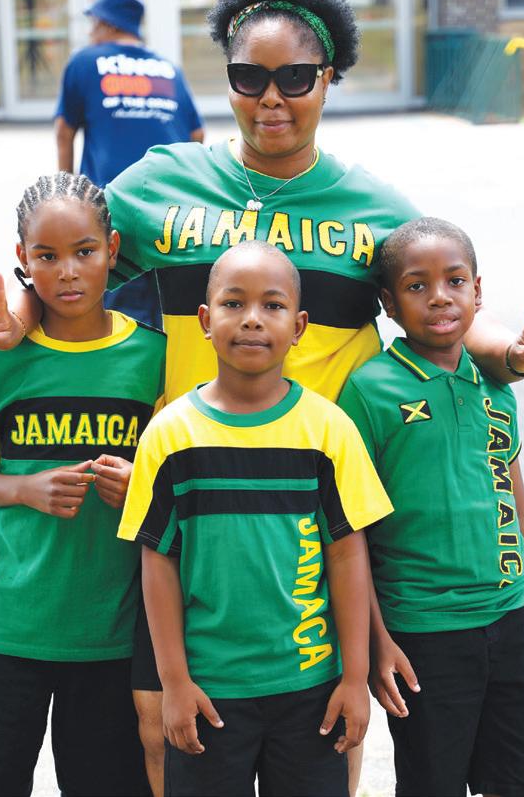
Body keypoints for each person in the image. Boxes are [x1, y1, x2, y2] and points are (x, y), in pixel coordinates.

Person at [0, 0, 524, 796]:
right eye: (249, 78)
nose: (271, 98)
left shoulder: (374, 207)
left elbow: (436, 306)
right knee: (164, 730)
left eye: (295, 78)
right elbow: (74, 254)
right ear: (228, 80)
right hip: (187, 495)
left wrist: (515, 351)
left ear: (328, 79)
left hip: (312, 510)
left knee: (324, 727)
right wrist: (18, 315)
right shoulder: (163, 182)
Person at [118, 240, 394, 796]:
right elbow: (158, 563)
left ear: (299, 326)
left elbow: (347, 555)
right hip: (209, 691)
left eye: (272, 305)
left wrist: (354, 677)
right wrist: (175, 682)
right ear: (204, 320)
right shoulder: (170, 434)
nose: (251, 319)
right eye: (233, 303)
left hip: (311, 688)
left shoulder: (328, 430)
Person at [0, 173, 166, 797]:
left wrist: (140, 487)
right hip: (9, 620)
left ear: (112, 251)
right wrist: (23, 489)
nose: (67, 272)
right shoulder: (0, 356)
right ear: (23, 259)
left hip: (109, 630)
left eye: (84, 252)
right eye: (46, 256)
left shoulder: (152, 358)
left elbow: (175, 477)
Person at [337, 218, 524, 797]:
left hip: (510, 620)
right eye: (417, 286)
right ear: (388, 304)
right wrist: (376, 642)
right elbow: (349, 529)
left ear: (477, 291)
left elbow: (519, 506)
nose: (439, 296)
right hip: (423, 634)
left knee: (518, 783)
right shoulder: (369, 390)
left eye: (455, 281)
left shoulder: (496, 386)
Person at [55, 0, 204, 328]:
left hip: (114, 211)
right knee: (169, 312)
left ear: (108, 24)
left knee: (118, 317)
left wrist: (65, 198)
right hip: (174, 213)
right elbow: (196, 135)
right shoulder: (168, 69)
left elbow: (64, 132)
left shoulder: (85, 62)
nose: (90, 33)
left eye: (93, 24)